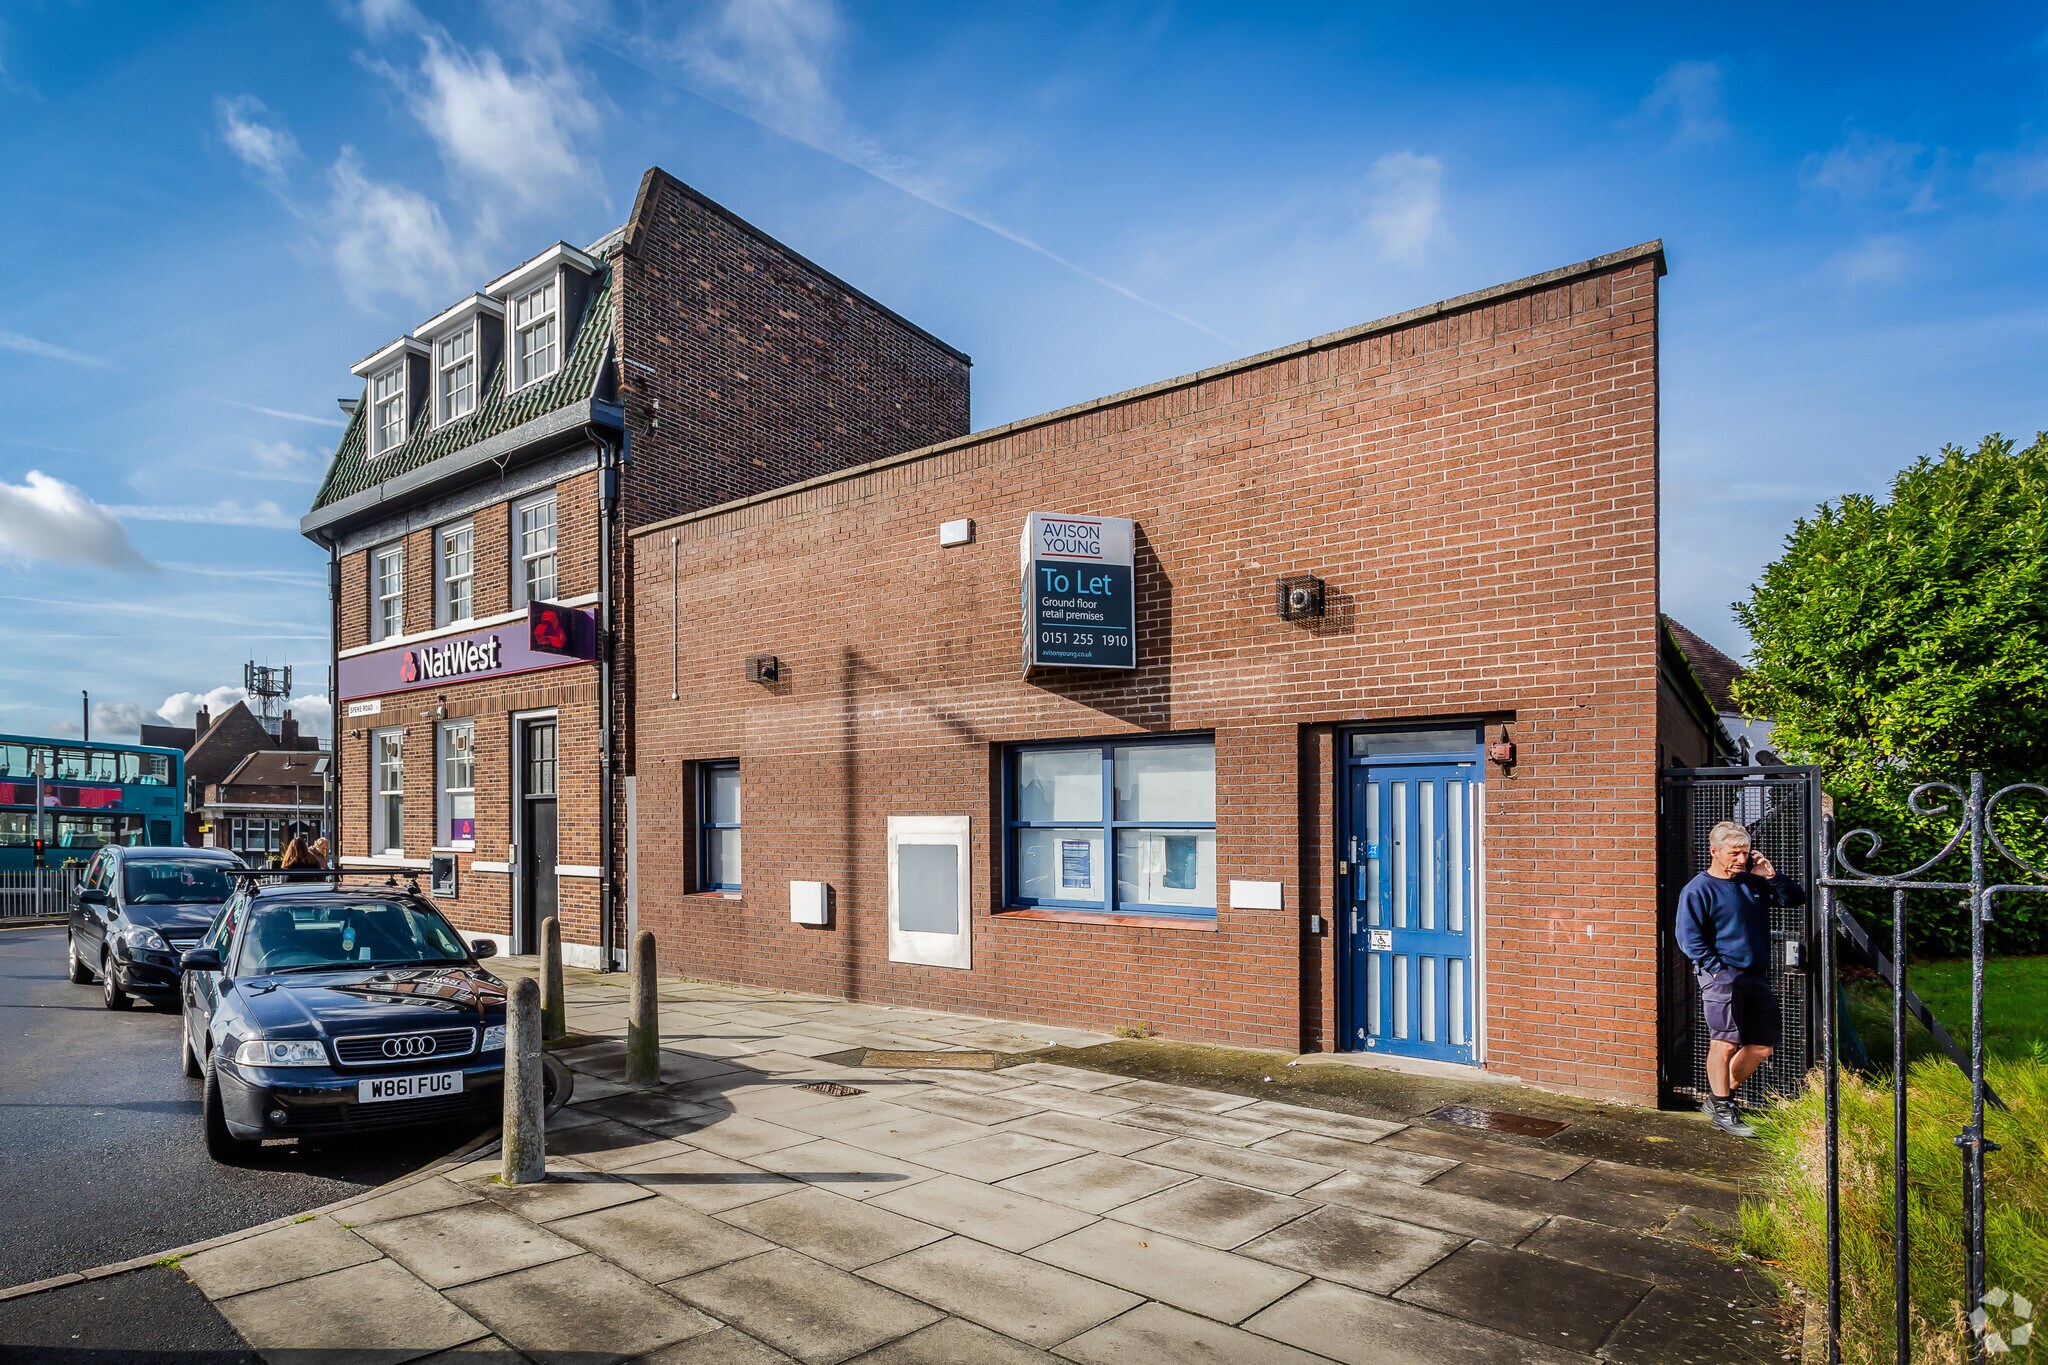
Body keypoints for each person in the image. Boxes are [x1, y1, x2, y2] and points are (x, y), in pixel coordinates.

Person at [1676, 821, 1807, 1137]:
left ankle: (1718, 1098)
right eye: (1734, 853)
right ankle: (1724, 1108)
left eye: (1745, 853)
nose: (1740, 859)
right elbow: (1688, 937)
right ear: (1714, 852)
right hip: (1722, 976)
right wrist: (1717, 970)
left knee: (1762, 1046)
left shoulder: (1752, 882)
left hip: (1755, 974)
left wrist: (1771, 876)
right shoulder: (1698, 889)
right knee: (1725, 1041)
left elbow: (1794, 899)